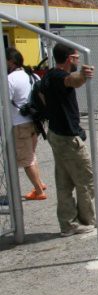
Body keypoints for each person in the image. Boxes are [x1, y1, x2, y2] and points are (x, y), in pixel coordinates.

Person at [43, 43, 98, 237]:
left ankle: (69, 223)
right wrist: (84, 75)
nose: (78, 61)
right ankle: (86, 220)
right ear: (70, 59)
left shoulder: (50, 76)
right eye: (77, 58)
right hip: (68, 139)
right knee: (85, 179)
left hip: (58, 135)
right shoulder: (59, 77)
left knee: (65, 182)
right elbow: (73, 80)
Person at [6, 48, 47, 200]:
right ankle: (40, 184)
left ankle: (39, 191)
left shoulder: (10, 79)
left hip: (19, 124)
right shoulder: (33, 75)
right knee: (31, 155)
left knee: (26, 160)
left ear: (10, 61)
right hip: (34, 122)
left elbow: (4, 101)